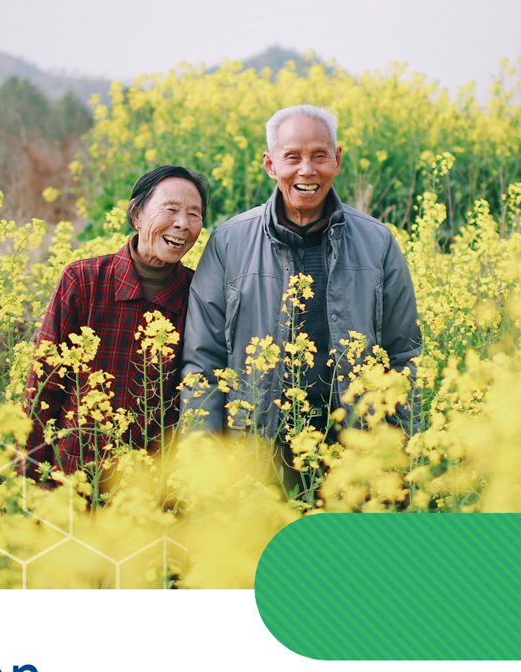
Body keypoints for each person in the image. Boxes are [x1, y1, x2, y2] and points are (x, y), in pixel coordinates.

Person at [179, 104, 422, 445]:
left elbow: (404, 355)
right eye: (292, 157)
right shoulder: (228, 243)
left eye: (319, 156)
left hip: (356, 449)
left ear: (337, 160)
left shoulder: (377, 242)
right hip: (257, 450)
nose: (306, 170)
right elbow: (203, 361)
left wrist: (401, 455)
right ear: (270, 164)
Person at [25, 165, 209, 476]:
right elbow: (43, 387)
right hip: (76, 479)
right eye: (171, 209)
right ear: (137, 215)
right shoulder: (84, 281)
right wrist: (30, 480)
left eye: (194, 214)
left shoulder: (200, 294)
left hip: (152, 490)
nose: (182, 223)